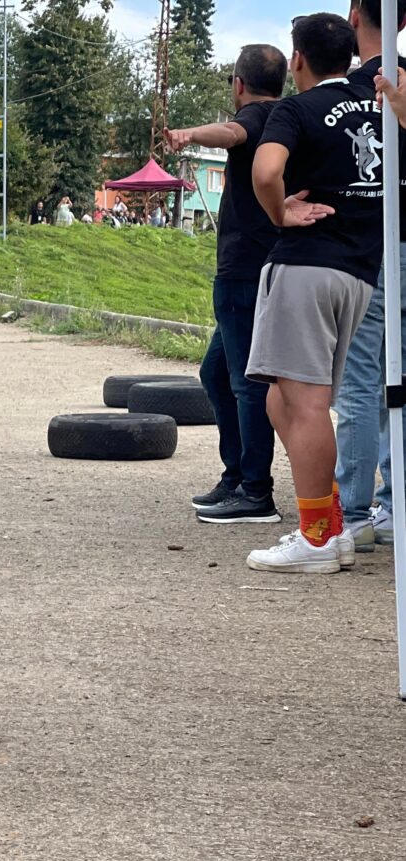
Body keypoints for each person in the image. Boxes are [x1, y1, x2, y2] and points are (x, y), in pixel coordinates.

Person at [243, 12, 383, 574]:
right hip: (357, 275)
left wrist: (281, 212)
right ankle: (331, 522)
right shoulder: (380, 104)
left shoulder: (295, 109)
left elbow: (266, 170)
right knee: (284, 398)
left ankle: (317, 539)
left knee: (304, 405)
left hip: (305, 266)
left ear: (296, 59)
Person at [167, 43, 289, 525]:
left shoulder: (260, 119)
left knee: (246, 383)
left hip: (243, 273)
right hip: (253, 270)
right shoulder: (286, 120)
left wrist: (189, 133)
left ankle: (256, 491)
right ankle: (236, 476)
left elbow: (232, 133)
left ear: (239, 85)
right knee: (215, 375)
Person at [333, 0, 406, 551]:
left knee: (359, 383)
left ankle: (354, 512)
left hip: (365, 249)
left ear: (356, 14)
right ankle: (392, 505)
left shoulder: (343, 94)